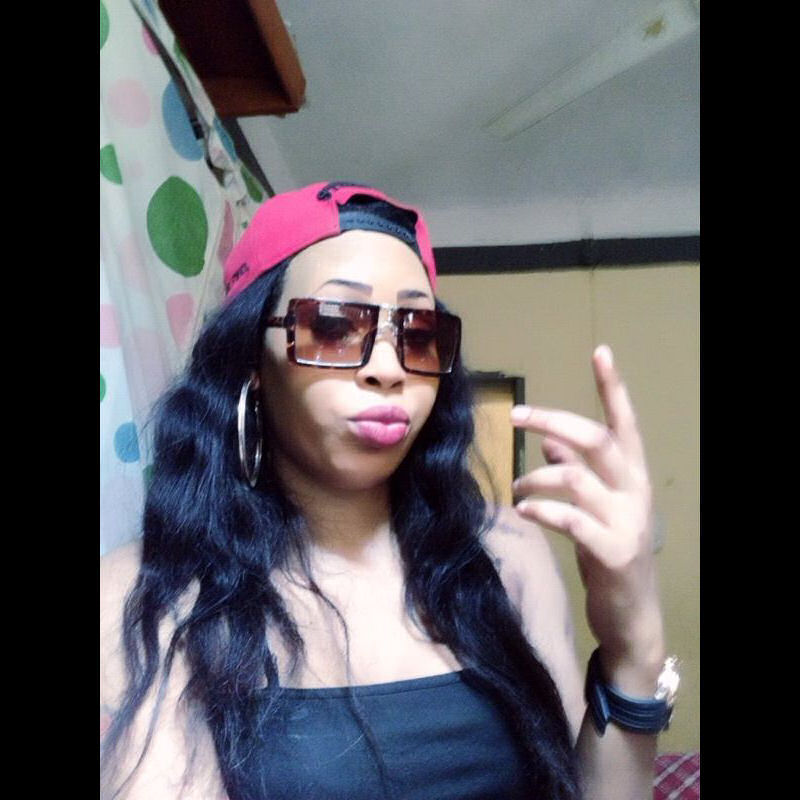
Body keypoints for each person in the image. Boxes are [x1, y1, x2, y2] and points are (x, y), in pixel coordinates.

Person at [100, 181, 674, 800]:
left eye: (418, 334)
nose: (388, 367)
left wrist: (632, 646)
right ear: (251, 364)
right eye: (333, 326)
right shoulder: (147, 596)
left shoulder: (510, 557)